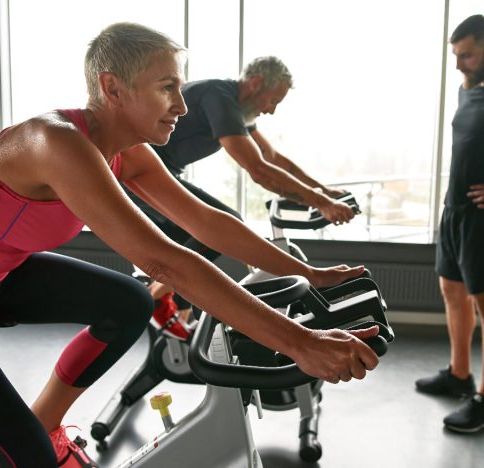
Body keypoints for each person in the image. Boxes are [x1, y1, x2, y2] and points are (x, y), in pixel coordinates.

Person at [0, 22, 380, 468]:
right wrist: (300, 343)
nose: (182, 105)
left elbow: (207, 221)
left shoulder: (127, 151)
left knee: (128, 302)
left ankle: (45, 421)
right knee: (24, 457)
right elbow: (164, 259)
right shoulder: (56, 143)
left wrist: (309, 274)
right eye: (167, 89)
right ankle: (28, 443)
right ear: (112, 88)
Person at [130, 56, 358, 339]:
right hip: (138, 175)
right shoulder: (219, 97)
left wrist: (322, 191)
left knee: (200, 242)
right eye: (272, 101)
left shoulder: (235, 107)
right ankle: (153, 297)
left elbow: (272, 157)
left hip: (161, 174)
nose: (271, 111)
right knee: (218, 229)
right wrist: (321, 203)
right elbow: (259, 170)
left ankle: (172, 310)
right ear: (256, 84)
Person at [415, 14, 484, 434]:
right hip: (455, 209)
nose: (459, 64)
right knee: (452, 291)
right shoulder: (468, 89)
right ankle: (460, 374)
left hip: (481, 217)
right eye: (456, 55)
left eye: (469, 55)